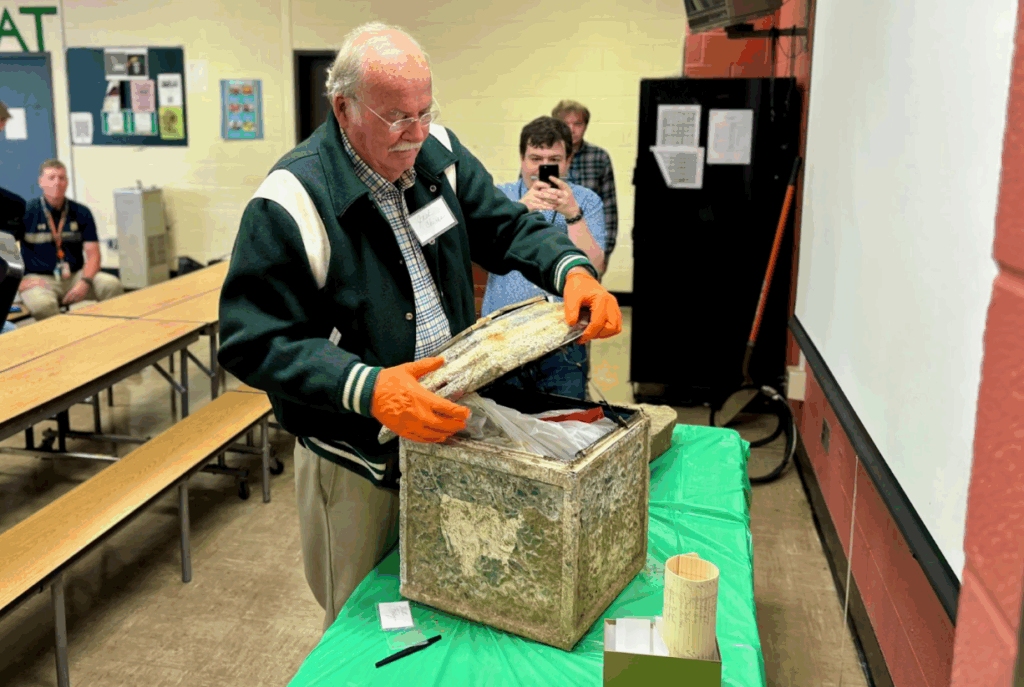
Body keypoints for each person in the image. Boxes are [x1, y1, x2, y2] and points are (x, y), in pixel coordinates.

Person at [217, 22, 622, 631]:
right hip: (357, 458)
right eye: (397, 118)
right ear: (343, 107)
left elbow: (505, 227)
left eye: (425, 111)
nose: (416, 133)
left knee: (446, 608)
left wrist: (570, 270)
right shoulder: (292, 199)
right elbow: (253, 338)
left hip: (445, 432)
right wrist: (369, 388)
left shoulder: (439, 155)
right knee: (365, 623)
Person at [482, 116, 605, 400]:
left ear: (568, 161)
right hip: (504, 336)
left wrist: (573, 215)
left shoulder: (587, 201)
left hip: (564, 337)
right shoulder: (500, 196)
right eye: (535, 157)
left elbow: (594, 267)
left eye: (553, 158)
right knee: (503, 424)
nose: (541, 167)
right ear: (522, 159)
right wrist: (517, 210)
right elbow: (478, 250)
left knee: (567, 419)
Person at [17, 159, 124, 320]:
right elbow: (4, 250)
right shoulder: (26, 212)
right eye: (51, 178)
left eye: (62, 178)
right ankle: (61, 341)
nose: (57, 183)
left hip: (76, 275)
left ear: (67, 182)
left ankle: (113, 330)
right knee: (43, 305)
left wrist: (85, 281)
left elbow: (94, 255)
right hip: (39, 278)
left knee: (111, 284)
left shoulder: (81, 212)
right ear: (40, 182)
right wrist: (19, 283)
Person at [552, 100, 618, 272]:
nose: (572, 129)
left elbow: (610, 210)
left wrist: (604, 254)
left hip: (589, 247)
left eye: (578, 124)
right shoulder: (544, 156)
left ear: (586, 126)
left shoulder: (599, 157)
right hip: (551, 247)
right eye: (566, 124)